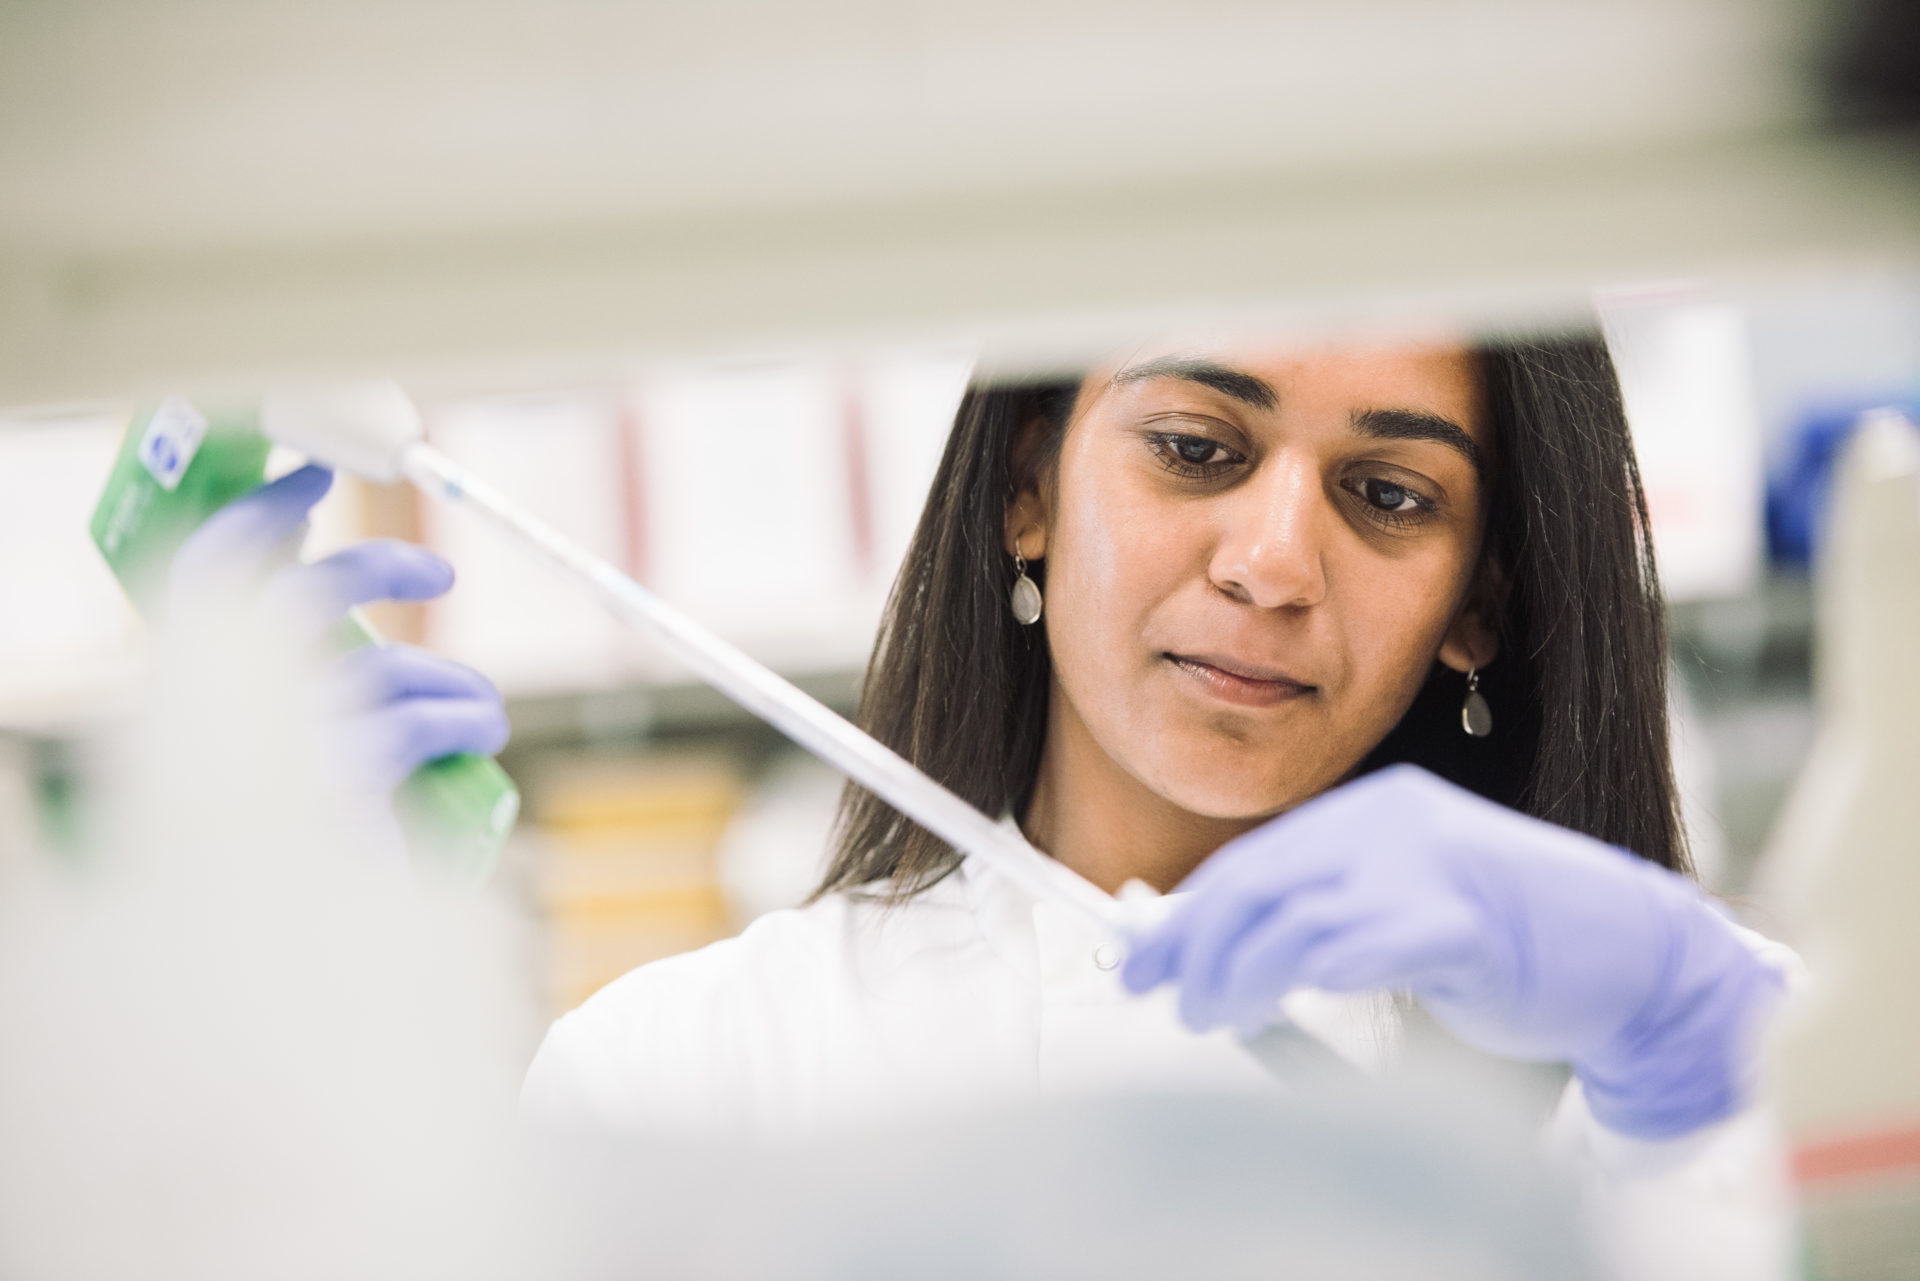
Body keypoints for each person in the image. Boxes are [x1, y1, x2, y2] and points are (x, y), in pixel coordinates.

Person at [192, 332, 1795, 1187]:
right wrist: (326, 1047)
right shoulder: (706, 1072)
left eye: (1389, 495)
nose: (1272, 560)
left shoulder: (1661, 1033)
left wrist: (1708, 1072)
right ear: (1028, 487)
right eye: (1196, 448)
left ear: (1480, 604)